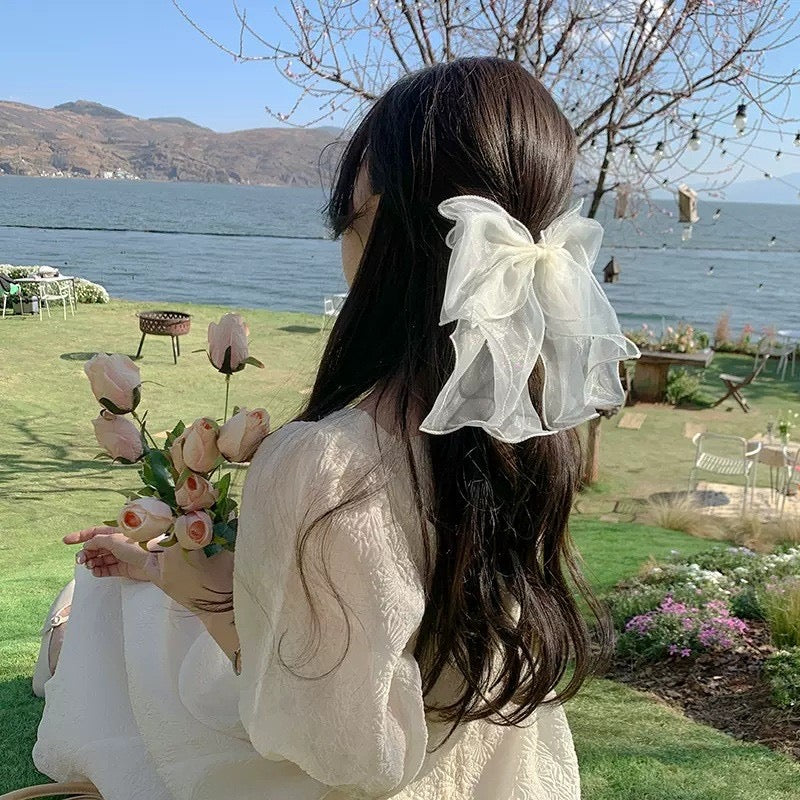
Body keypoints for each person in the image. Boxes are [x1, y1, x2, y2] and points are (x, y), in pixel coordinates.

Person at [33, 57, 637, 800]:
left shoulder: (330, 464)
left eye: (344, 217)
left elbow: (346, 753)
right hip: (488, 771)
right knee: (131, 597)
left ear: (380, 223)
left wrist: (200, 599)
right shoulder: (531, 437)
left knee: (114, 616)